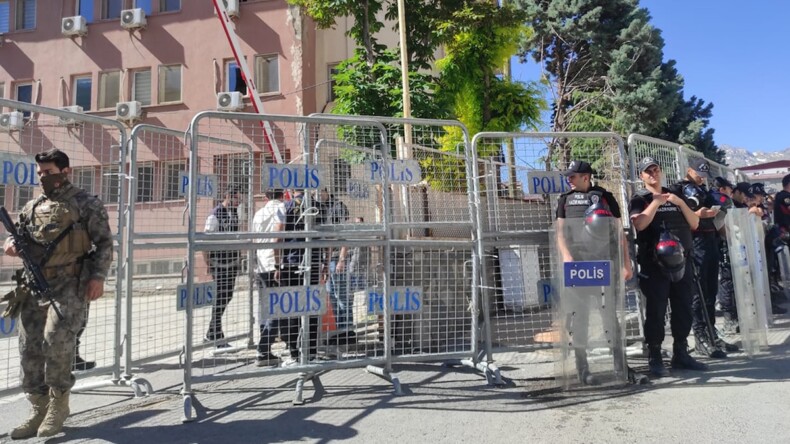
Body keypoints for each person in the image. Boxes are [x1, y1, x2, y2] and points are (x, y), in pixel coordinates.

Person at [4, 148, 112, 438]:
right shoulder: (32, 206)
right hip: (33, 285)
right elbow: (18, 235)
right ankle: (38, 408)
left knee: (57, 344)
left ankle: (58, 405)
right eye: (40, 174)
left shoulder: (86, 204)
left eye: (49, 173)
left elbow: (104, 244)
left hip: (69, 284)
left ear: (65, 172)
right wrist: (10, 245)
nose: (43, 178)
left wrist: (98, 277)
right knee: (29, 350)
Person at [555, 160, 633, 384]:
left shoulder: (605, 197)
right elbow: (560, 233)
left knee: (610, 317)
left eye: (573, 176)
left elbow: (619, 232)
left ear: (586, 177)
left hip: (604, 263)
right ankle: (583, 369)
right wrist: (567, 257)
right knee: (580, 318)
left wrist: (625, 263)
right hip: (578, 266)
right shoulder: (565, 200)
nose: (569, 179)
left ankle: (620, 366)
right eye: (569, 176)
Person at [629, 157, 707, 377]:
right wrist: (656, 202)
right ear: (641, 176)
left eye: (655, 169)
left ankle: (680, 353)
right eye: (648, 172)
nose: (653, 174)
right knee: (656, 310)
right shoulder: (640, 198)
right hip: (655, 264)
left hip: (683, 261)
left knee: (683, 307)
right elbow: (640, 223)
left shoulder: (676, 195)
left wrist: (678, 202)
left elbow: (694, 223)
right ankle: (655, 355)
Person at [675, 158, 726, 359]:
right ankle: (700, 336)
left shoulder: (704, 190)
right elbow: (678, 216)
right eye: (698, 174)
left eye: (704, 175)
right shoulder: (679, 189)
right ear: (689, 170)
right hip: (694, 241)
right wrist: (698, 213)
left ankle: (712, 331)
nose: (701, 178)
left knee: (711, 290)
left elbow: (719, 215)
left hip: (710, 238)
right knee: (698, 293)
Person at [203, 185, 242, 347]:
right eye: (236, 198)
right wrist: (208, 263)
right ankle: (215, 334)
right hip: (219, 263)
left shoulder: (233, 213)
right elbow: (206, 241)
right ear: (228, 196)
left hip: (231, 263)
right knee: (220, 297)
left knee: (227, 296)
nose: (238, 202)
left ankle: (213, 332)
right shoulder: (215, 214)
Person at [252, 189, 287, 366]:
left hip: (261, 263)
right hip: (275, 263)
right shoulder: (283, 208)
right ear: (282, 195)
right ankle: (264, 348)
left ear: (266, 197)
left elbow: (255, 240)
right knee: (277, 307)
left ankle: (265, 347)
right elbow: (279, 237)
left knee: (264, 306)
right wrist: (279, 263)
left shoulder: (258, 213)